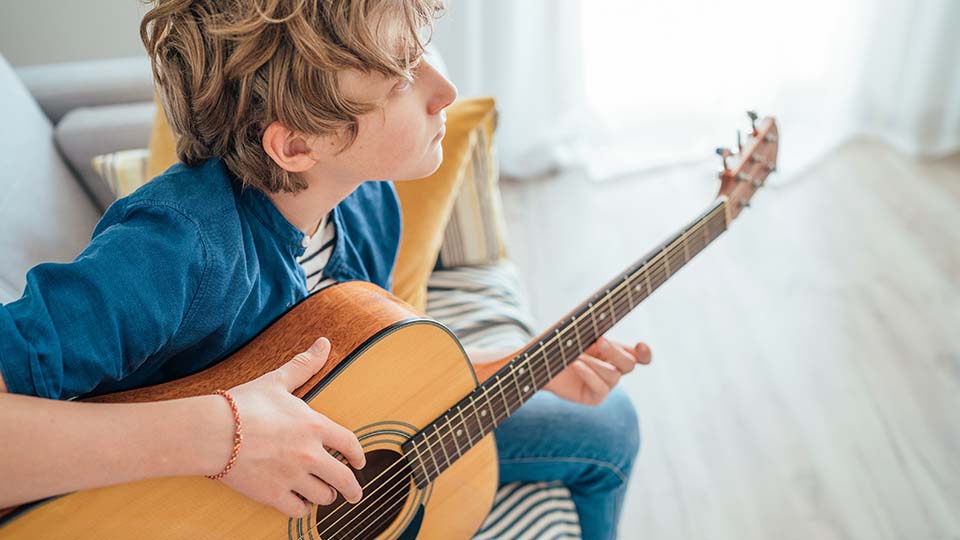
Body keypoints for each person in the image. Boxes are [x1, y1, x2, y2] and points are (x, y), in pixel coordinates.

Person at [0, 1, 649, 538]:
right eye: (401, 75)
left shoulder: (368, 202)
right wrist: (220, 436)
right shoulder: (173, 247)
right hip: (165, 510)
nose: (446, 90)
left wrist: (523, 365)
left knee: (609, 422)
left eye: (422, 49)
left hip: (302, 486)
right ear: (297, 144)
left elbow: (370, 381)